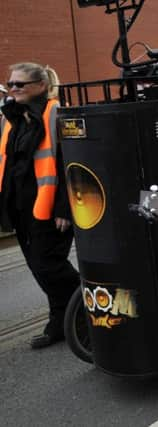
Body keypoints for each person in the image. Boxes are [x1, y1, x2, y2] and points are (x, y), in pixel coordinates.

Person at [0, 63, 80, 349]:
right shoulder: (12, 118)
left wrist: (65, 208)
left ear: (41, 85)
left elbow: (70, 163)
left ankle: (90, 306)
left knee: (49, 266)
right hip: (20, 208)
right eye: (10, 84)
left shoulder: (56, 113)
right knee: (38, 267)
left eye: (20, 84)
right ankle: (60, 322)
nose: (13, 89)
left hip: (49, 207)